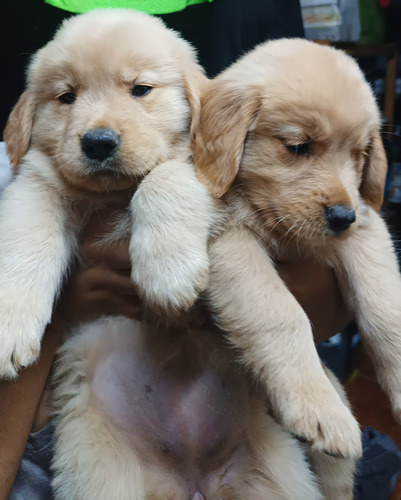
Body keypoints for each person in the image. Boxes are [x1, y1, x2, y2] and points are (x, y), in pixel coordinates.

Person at [0, 1, 354, 498]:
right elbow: (30, 205)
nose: (98, 128)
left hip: (235, 404)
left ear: (195, 99)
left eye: (140, 89)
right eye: (66, 96)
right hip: (108, 417)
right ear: (29, 112)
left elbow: (210, 176)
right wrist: (21, 301)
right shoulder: (46, 169)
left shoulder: (209, 124)